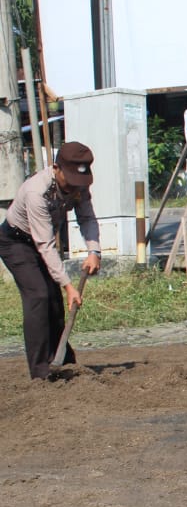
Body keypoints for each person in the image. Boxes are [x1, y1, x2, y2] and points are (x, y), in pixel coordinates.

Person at [0, 141, 102, 380]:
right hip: (16, 243)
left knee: (54, 302)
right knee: (38, 296)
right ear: (56, 168)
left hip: (39, 242)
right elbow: (45, 245)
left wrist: (93, 251)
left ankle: (63, 360)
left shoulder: (79, 184)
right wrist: (68, 285)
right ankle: (40, 372)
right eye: (70, 182)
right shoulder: (36, 191)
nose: (76, 189)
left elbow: (86, 217)